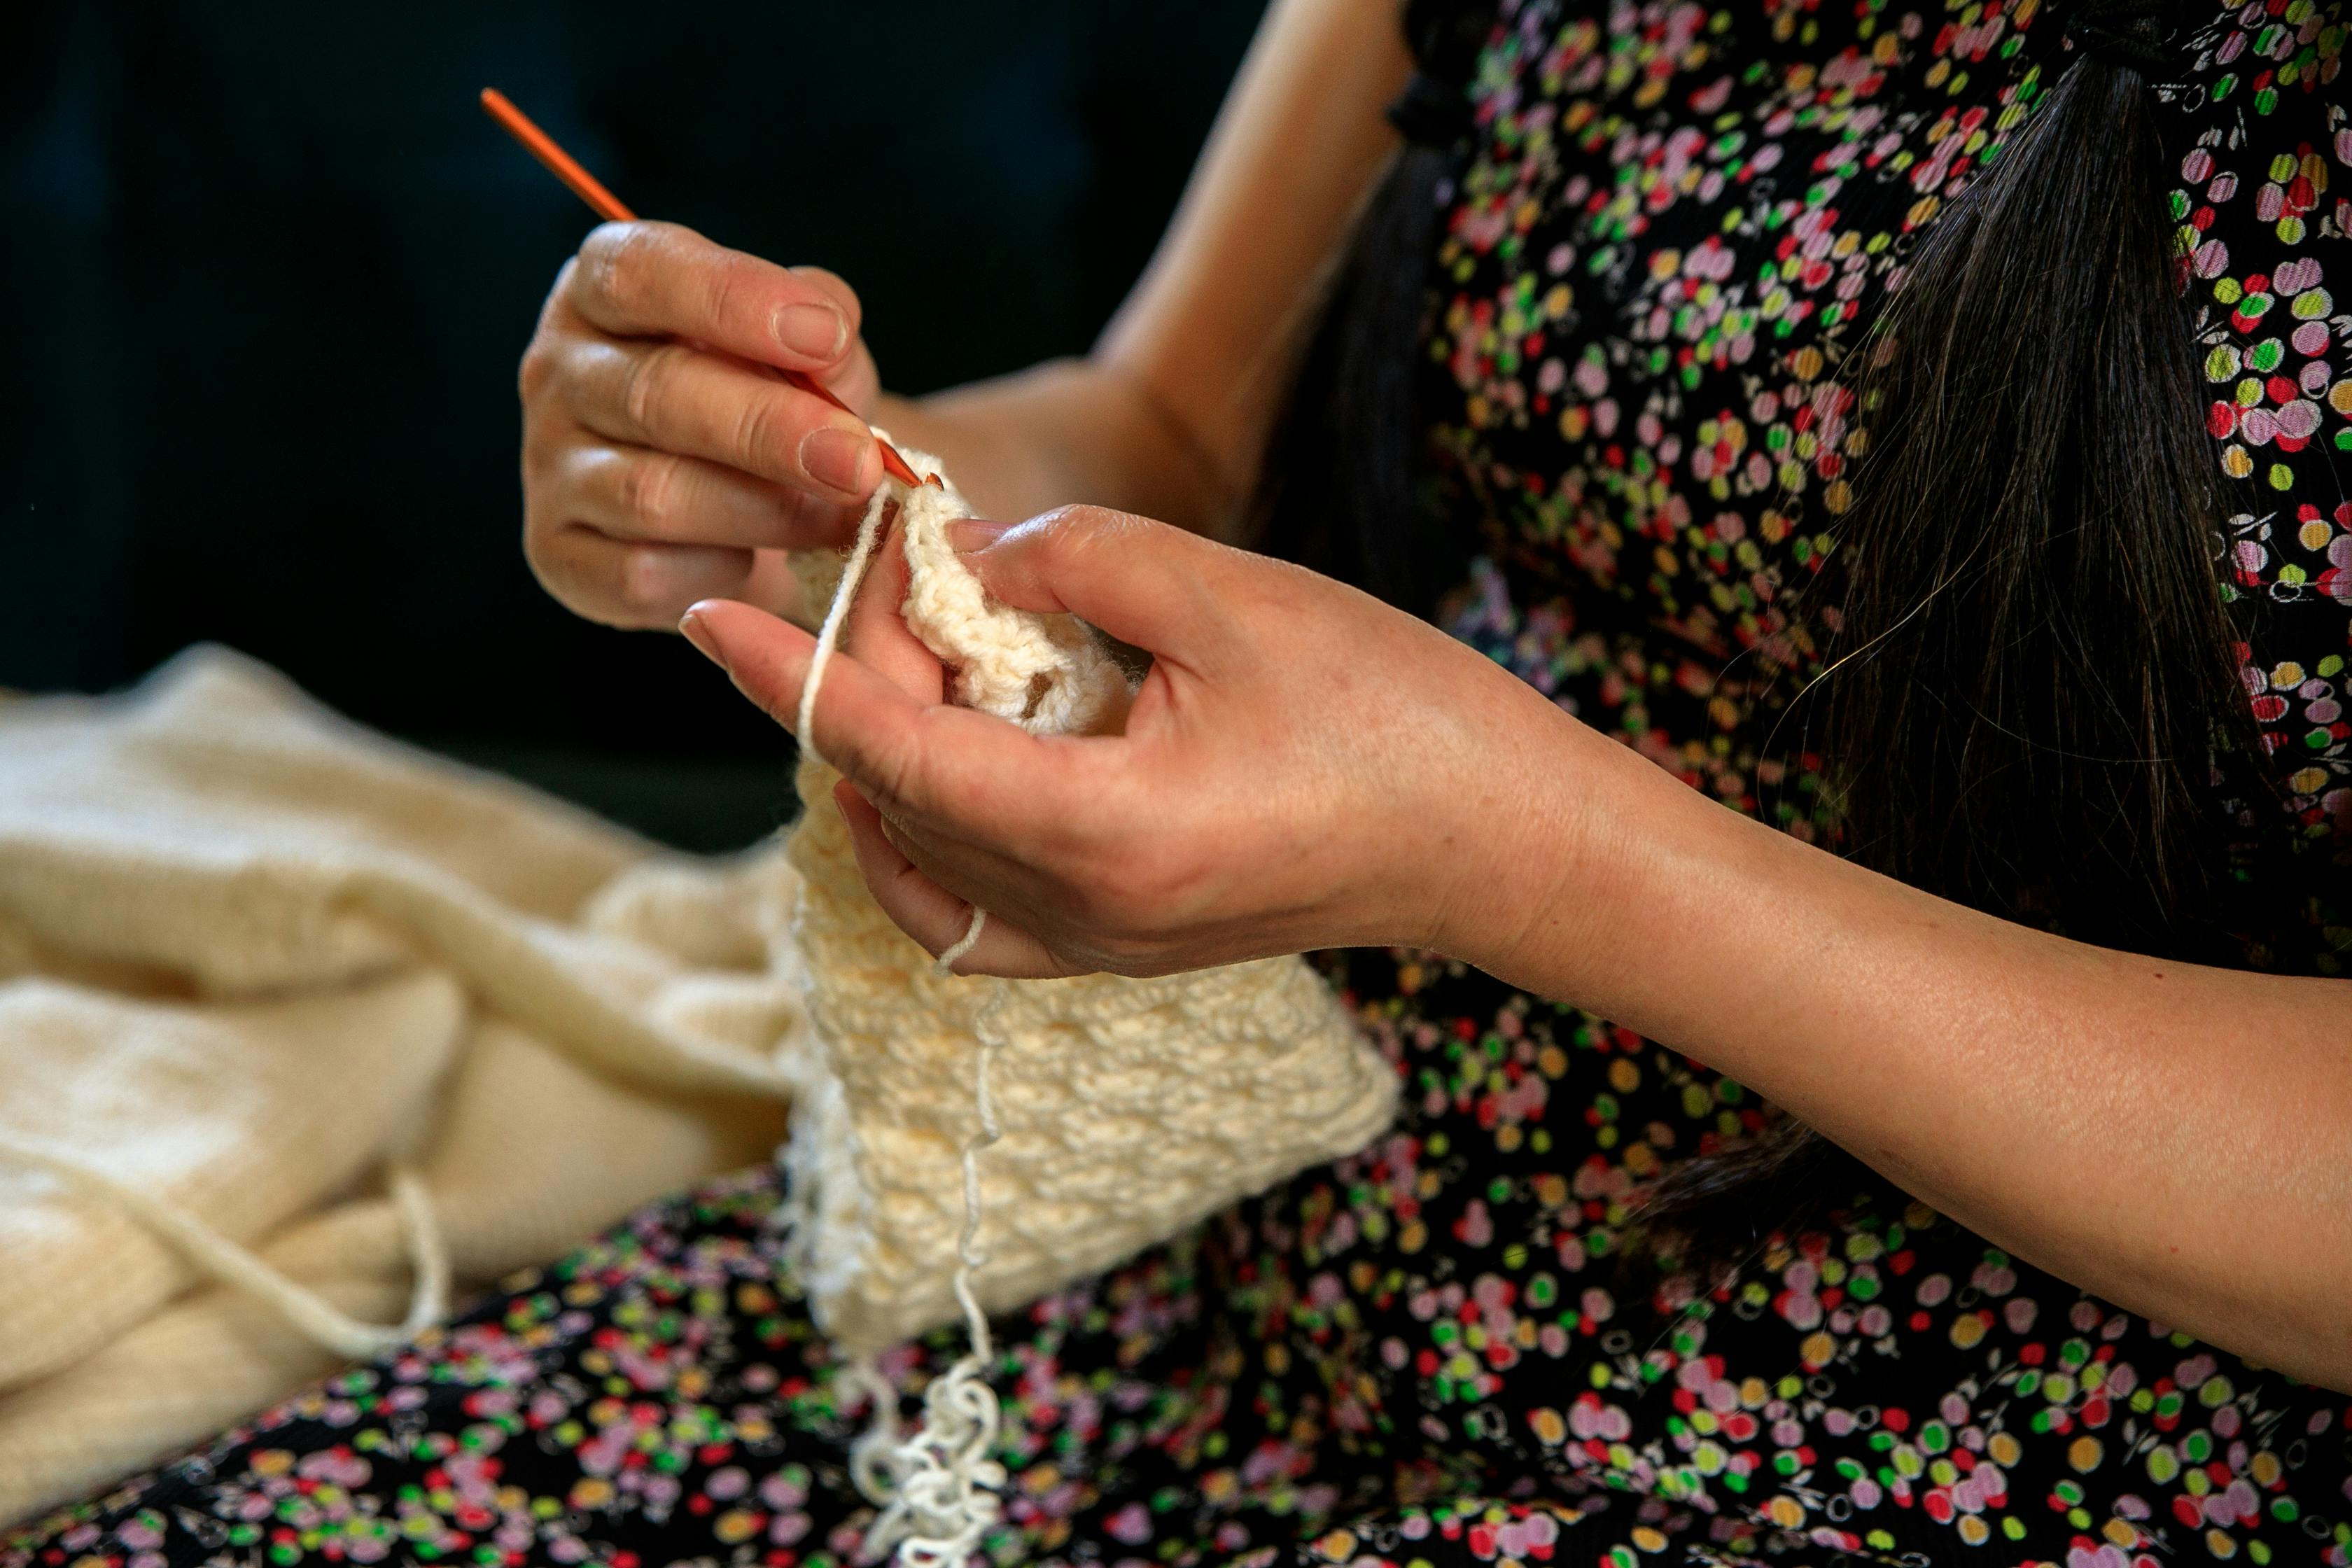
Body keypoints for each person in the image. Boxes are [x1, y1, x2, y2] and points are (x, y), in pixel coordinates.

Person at [12, 0, 2351, 1562]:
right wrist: (840, 500)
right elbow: (1173, 433)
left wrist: (1525, 858)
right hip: (1225, 1210)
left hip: (2018, 1440)